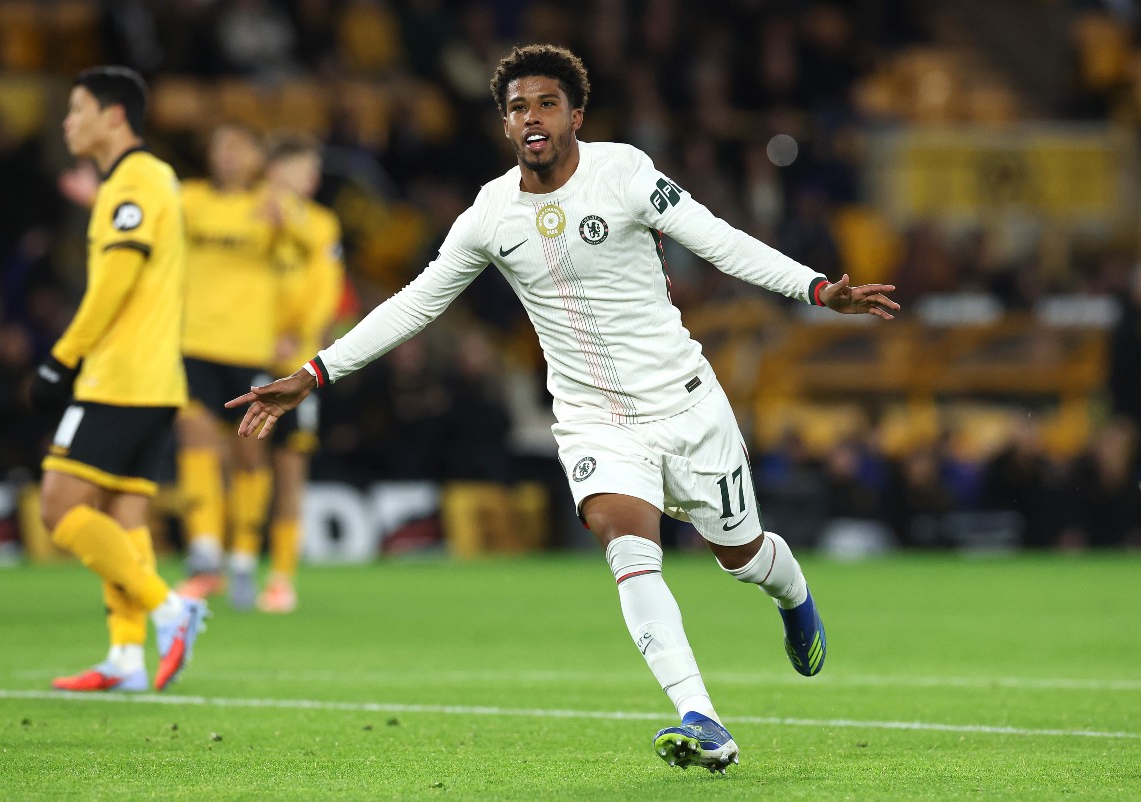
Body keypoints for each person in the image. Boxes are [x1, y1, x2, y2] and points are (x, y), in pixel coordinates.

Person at [227, 45, 898, 771]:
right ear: (505, 125)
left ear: (575, 115)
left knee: (743, 557)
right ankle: (700, 716)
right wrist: (315, 373)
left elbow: (718, 240)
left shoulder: (625, 173)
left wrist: (815, 289)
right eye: (518, 108)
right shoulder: (490, 214)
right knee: (627, 547)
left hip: (685, 403)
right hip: (592, 420)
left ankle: (792, 595)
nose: (532, 118)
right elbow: (416, 303)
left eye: (546, 103)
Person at [33, 66, 207, 693]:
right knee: (123, 516)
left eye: (77, 109)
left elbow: (115, 282)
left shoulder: (134, 181)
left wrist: (62, 357)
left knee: (58, 507)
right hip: (156, 381)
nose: (67, 123)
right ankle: (127, 657)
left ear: (114, 116)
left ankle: (170, 607)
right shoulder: (146, 180)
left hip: (119, 378)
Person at [176, 122, 311, 609]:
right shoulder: (189, 199)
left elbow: (308, 256)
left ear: (257, 156)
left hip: (253, 350)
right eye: (220, 145)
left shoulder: (277, 205)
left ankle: (243, 555)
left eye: (238, 146)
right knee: (194, 436)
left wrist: (284, 225)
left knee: (249, 456)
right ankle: (205, 550)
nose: (227, 154)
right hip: (195, 342)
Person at [253, 132, 345, 613]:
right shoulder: (247, 216)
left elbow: (326, 292)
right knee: (240, 465)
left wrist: (300, 336)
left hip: (295, 365)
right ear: (275, 169)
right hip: (244, 352)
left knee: (290, 469)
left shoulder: (322, 224)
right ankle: (234, 562)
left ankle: (281, 576)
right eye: (302, 167)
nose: (312, 176)